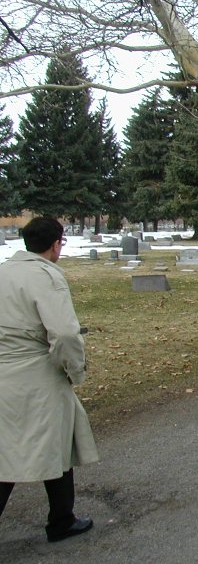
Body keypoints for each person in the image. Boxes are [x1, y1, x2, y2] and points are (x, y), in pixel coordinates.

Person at [0, 217, 99, 542]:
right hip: (38, 372)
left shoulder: (4, 272)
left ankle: (63, 516)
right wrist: (75, 369)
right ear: (56, 244)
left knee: (10, 448)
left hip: (5, 372)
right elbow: (65, 334)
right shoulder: (46, 276)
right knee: (52, 443)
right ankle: (61, 520)